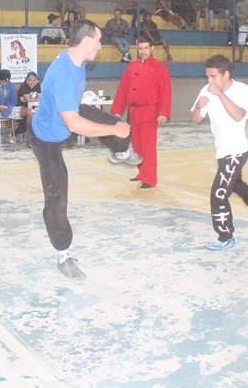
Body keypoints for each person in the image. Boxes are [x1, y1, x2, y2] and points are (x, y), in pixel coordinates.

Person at [30, 19, 140, 280]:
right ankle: (63, 254)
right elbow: (76, 124)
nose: (101, 46)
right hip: (46, 138)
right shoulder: (63, 74)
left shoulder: (77, 63)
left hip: (66, 118)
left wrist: (113, 129)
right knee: (57, 194)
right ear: (87, 40)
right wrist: (112, 131)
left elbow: (75, 109)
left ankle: (121, 152)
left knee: (115, 123)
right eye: (99, 40)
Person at [190, 54, 248, 250]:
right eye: (208, 77)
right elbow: (196, 119)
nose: (209, 81)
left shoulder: (244, 91)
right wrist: (198, 106)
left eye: (213, 76)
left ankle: (225, 236)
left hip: (237, 151)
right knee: (236, 184)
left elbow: (238, 115)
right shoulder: (206, 90)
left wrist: (219, 94)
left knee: (219, 194)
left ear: (226, 74)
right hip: (222, 151)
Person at [110, 36, 172, 190]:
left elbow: (166, 91)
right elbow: (123, 89)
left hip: (150, 112)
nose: (143, 51)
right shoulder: (132, 66)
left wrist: (163, 112)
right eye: (140, 48)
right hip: (134, 112)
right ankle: (142, 173)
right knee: (137, 146)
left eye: (146, 48)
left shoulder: (159, 67)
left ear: (152, 49)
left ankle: (150, 179)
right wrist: (117, 110)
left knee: (148, 147)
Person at [16, 71, 41, 145]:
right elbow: (27, 100)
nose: (32, 82)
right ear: (26, 80)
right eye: (30, 80)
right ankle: (29, 140)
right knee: (32, 115)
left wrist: (30, 98)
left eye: (34, 80)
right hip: (22, 108)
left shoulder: (38, 85)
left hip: (35, 107)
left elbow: (41, 97)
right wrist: (32, 98)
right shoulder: (23, 86)